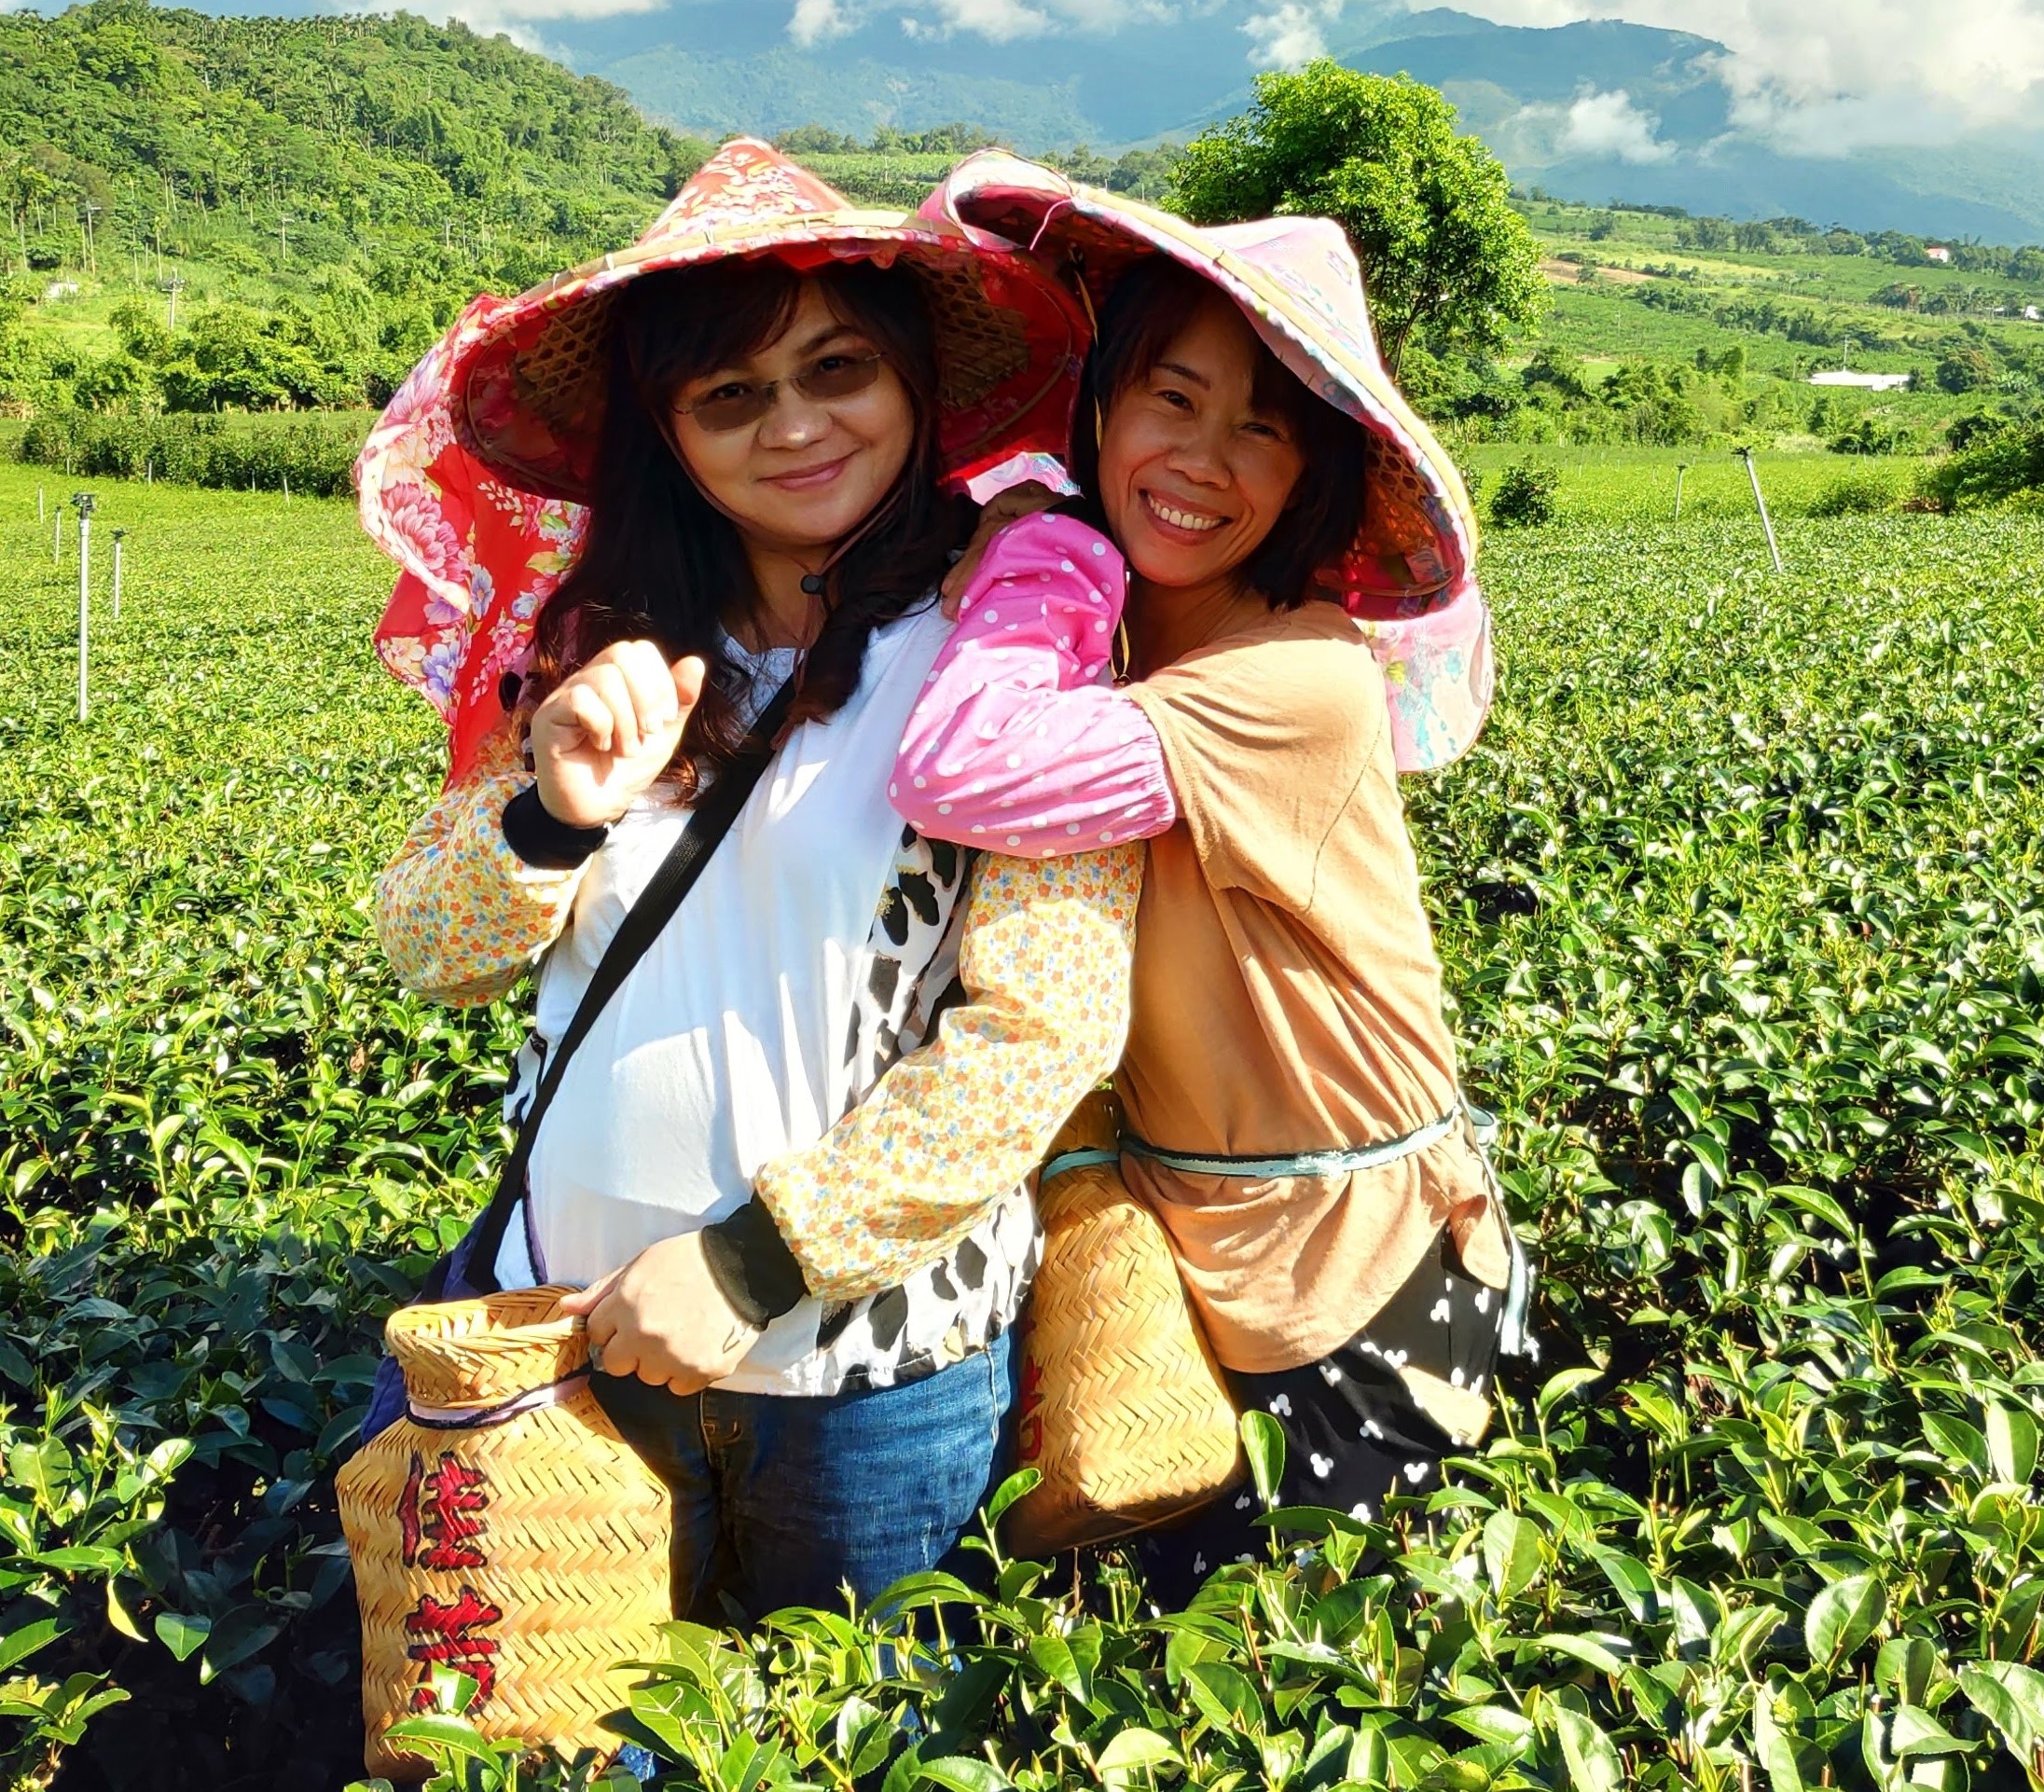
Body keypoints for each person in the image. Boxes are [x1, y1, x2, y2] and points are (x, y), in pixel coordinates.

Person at [356, 139, 1141, 1623]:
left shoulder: (1009, 649)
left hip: (862, 1383)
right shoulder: (594, 650)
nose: (795, 425)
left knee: (853, 1741)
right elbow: (426, 945)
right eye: (732, 394)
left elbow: (1042, 1028)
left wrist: (747, 1265)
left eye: (837, 369)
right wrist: (547, 815)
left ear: (910, 381)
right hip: (569, 1345)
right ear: (670, 433)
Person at [879, 157, 1525, 1597]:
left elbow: (960, 764)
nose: (1203, 456)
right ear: (1107, 406)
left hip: (1357, 1273)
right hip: (1190, 1249)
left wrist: (1037, 552)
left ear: (1315, 473)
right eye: (1173, 397)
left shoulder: (1289, 678)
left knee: (1270, 1673)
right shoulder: (1130, 648)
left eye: (1264, 428)